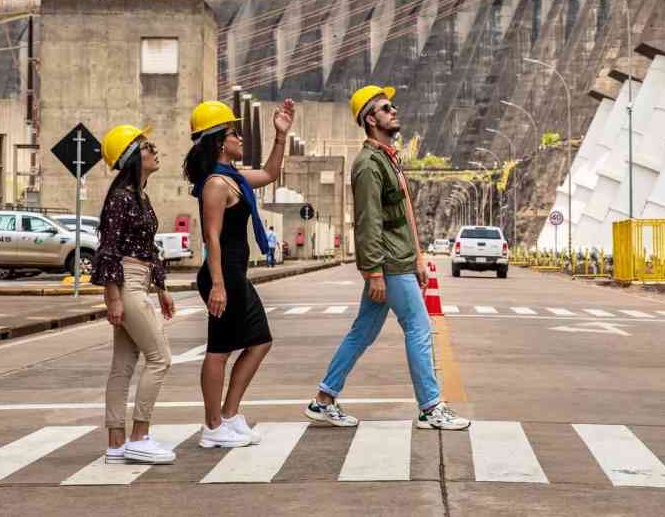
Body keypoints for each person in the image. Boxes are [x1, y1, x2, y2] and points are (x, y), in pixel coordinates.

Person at [305, 86, 470, 431]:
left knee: (362, 332)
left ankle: (324, 398)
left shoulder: (387, 158)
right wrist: (374, 272)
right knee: (419, 327)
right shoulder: (368, 165)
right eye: (385, 108)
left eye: (392, 106)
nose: (393, 111)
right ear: (370, 119)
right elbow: (369, 222)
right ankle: (431, 407)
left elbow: (404, 213)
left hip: (399, 259)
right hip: (389, 264)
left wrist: (419, 257)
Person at [184, 98, 295, 448]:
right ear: (219, 141)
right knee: (219, 350)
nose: (241, 138)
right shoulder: (216, 184)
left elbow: (271, 173)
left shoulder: (233, 179)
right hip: (223, 276)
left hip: (234, 274)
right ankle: (212, 426)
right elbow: (211, 236)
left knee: (260, 341)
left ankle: (230, 415)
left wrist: (280, 135)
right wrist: (218, 285)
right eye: (235, 133)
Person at [94, 124, 177, 465]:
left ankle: (116, 443)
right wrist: (113, 297)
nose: (156, 151)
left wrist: (161, 288)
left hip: (139, 281)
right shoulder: (121, 198)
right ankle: (139, 436)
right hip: (126, 282)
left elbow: (148, 248)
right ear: (132, 157)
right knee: (160, 358)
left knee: (124, 365)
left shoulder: (139, 196)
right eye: (148, 147)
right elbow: (108, 251)